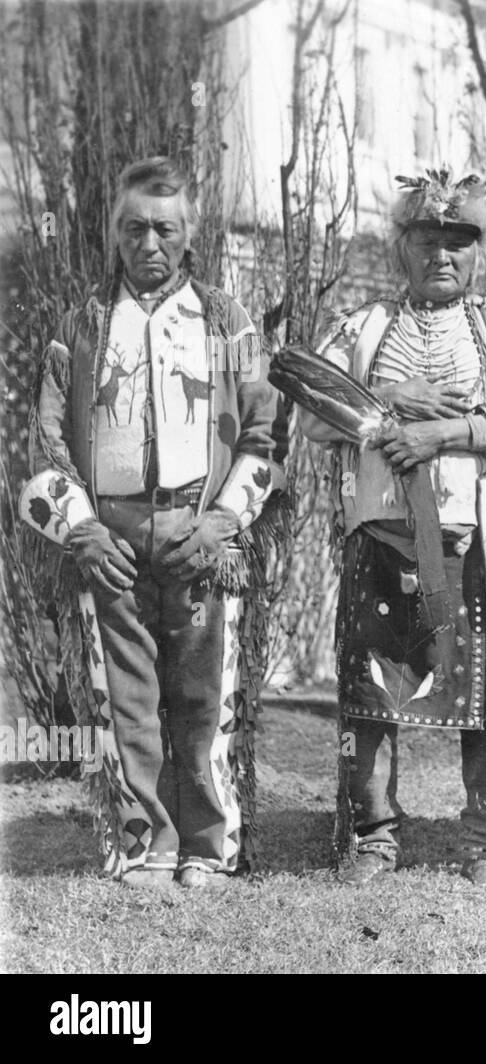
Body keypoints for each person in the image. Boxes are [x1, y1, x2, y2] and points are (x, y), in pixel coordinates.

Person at [22, 156, 286, 891]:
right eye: (134, 228)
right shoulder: (79, 327)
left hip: (199, 534)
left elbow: (265, 439)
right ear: (114, 233)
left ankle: (207, 846)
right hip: (110, 537)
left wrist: (225, 522)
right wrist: (83, 530)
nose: (149, 244)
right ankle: (145, 843)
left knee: (204, 698)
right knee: (126, 697)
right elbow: (44, 447)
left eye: (165, 229)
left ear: (189, 233)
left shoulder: (229, 323)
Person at [295, 167, 486, 889]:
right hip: (380, 537)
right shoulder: (363, 327)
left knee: (482, 696)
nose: (442, 255)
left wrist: (444, 433)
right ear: (401, 247)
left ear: (478, 253)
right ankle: (372, 836)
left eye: (458, 243)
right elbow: (313, 414)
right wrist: (384, 400)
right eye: (427, 241)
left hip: (469, 544)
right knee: (370, 694)